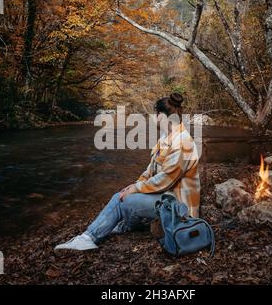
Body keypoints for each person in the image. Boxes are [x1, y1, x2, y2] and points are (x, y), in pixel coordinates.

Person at [54, 93, 200, 251]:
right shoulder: (166, 137)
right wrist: (134, 185)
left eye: (154, 114)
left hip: (179, 207)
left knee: (121, 199)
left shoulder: (182, 141)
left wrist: (135, 189)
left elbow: (165, 180)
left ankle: (89, 238)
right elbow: (151, 170)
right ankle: (124, 226)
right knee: (126, 192)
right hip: (167, 198)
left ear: (160, 115)